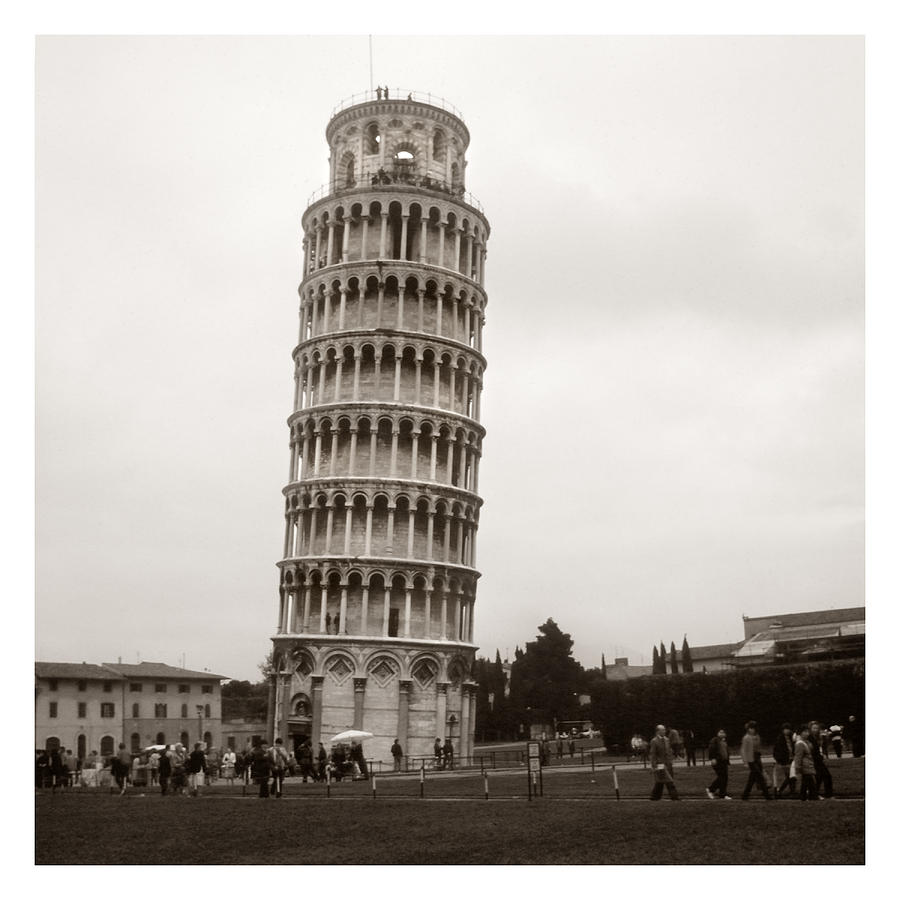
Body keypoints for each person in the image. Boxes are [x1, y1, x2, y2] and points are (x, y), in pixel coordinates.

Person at [740, 721, 772, 800]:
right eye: (751, 728)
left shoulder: (757, 737)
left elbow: (758, 748)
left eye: (753, 728)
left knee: (752, 779)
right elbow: (743, 750)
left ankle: (745, 795)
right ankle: (767, 795)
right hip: (751, 759)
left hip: (757, 758)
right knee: (760, 777)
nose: (752, 730)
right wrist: (745, 762)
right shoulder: (746, 738)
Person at [649, 724, 680, 801]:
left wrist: (671, 760)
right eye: (662, 730)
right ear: (658, 731)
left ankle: (654, 797)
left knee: (660, 782)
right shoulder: (654, 741)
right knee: (669, 781)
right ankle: (675, 797)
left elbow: (668, 751)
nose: (664, 731)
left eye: (664, 729)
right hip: (660, 765)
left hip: (668, 764)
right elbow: (653, 754)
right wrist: (654, 765)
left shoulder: (667, 740)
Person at [808, 721, 834, 799]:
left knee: (825, 776)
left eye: (816, 728)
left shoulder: (818, 737)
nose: (815, 730)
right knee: (820, 777)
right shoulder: (810, 738)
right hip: (814, 760)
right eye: (814, 728)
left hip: (819, 760)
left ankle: (826, 794)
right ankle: (815, 794)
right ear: (810, 729)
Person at [793, 724, 818, 801]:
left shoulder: (805, 742)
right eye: (805, 732)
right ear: (800, 733)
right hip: (805, 767)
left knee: (805, 784)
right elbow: (798, 757)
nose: (807, 734)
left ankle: (804, 797)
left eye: (808, 732)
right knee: (810, 783)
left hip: (808, 766)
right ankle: (812, 797)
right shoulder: (800, 744)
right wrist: (798, 768)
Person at [706, 729, 732, 799]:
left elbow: (725, 751)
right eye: (720, 732)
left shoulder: (724, 741)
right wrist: (712, 758)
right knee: (722, 777)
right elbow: (711, 749)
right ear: (717, 733)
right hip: (718, 761)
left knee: (724, 778)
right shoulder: (714, 740)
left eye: (723, 732)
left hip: (724, 761)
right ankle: (710, 789)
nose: (722, 733)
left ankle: (722, 794)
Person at [772, 723, 796, 797]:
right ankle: (783, 790)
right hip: (785, 760)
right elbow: (776, 750)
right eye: (785, 729)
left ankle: (787, 791)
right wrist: (778, 759)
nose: (787, 731)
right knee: (790, 777)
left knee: (791, 777)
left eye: (788, 729)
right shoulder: (780, 738)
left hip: (791, 759)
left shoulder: (791, 737)